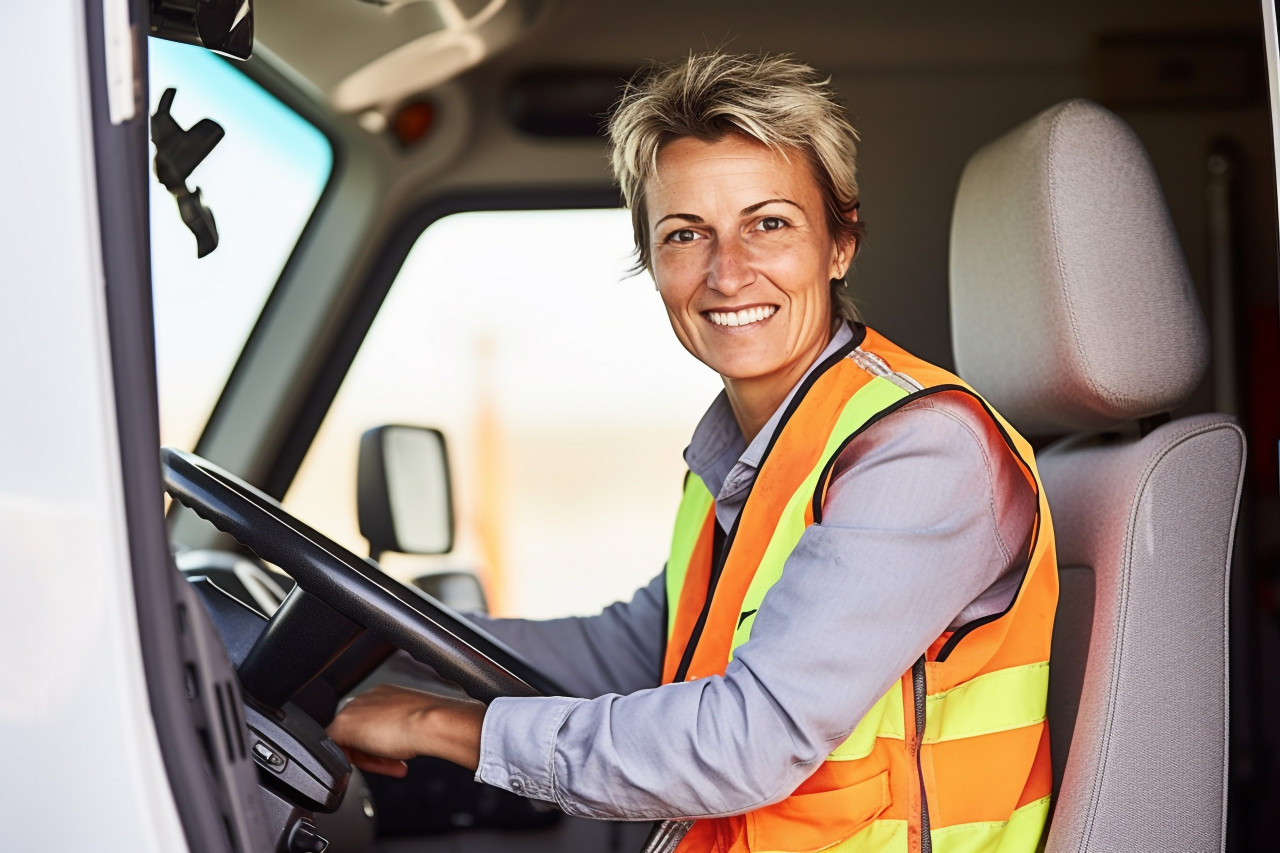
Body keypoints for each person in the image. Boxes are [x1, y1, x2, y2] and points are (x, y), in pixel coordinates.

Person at [327, 51, 1058, 852]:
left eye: (769, 223)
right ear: (653, 262)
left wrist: (438, 723)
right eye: (686, 234)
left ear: (840, 243)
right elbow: (632, 649)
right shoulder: (743, 453)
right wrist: (373, 631)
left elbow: (748, 739)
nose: (728, 271)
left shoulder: (923, 452)